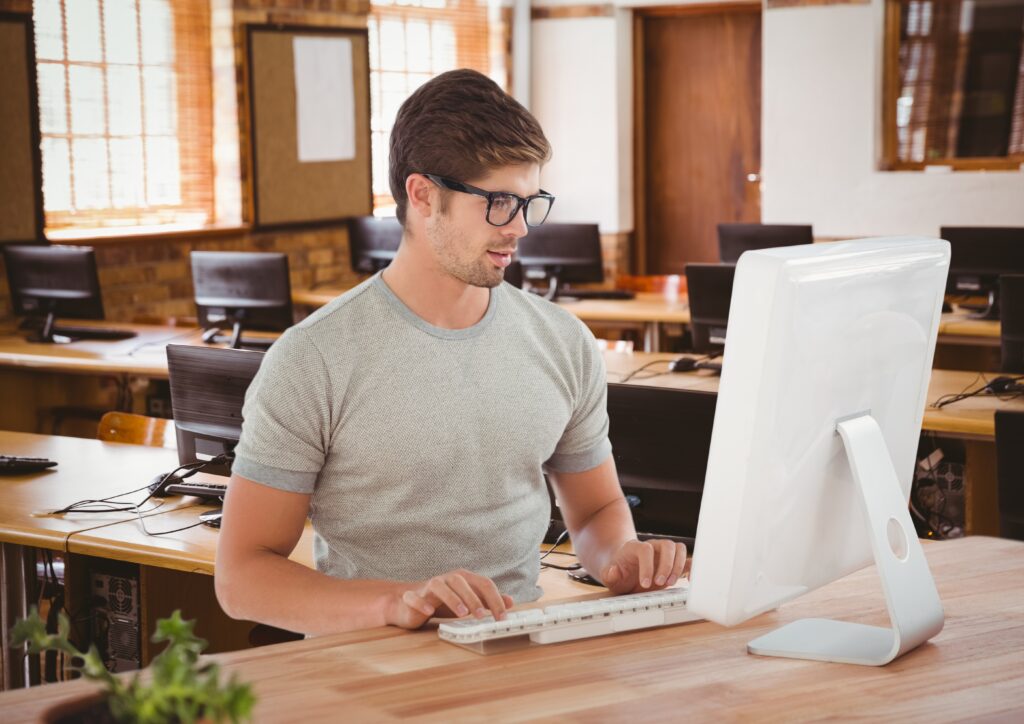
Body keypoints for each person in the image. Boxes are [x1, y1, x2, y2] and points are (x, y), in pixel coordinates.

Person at [214, 69, 686, 635]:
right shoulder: (314, 358)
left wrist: (618, 557)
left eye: (529, 203)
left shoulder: (562, 341)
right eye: (500, 203)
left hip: (516, 654)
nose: (520, 229)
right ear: (423, 195)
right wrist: (395, 603)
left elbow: (596, 512)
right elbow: (242, 578)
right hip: (374, 669)